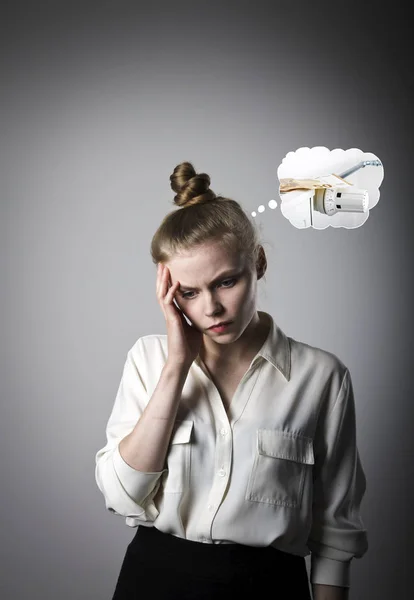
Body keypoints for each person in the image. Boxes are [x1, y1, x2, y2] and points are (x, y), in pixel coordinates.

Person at [95, 161, 368, 600]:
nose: (211, 309)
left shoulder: (322, 377)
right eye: (189, 292)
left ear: (257, 263)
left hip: (268, 587)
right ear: (169, 291)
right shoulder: (149, 360)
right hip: (154, 581)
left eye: (226, 282)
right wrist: (176, 367)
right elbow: (123, 496)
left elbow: (334, 533)